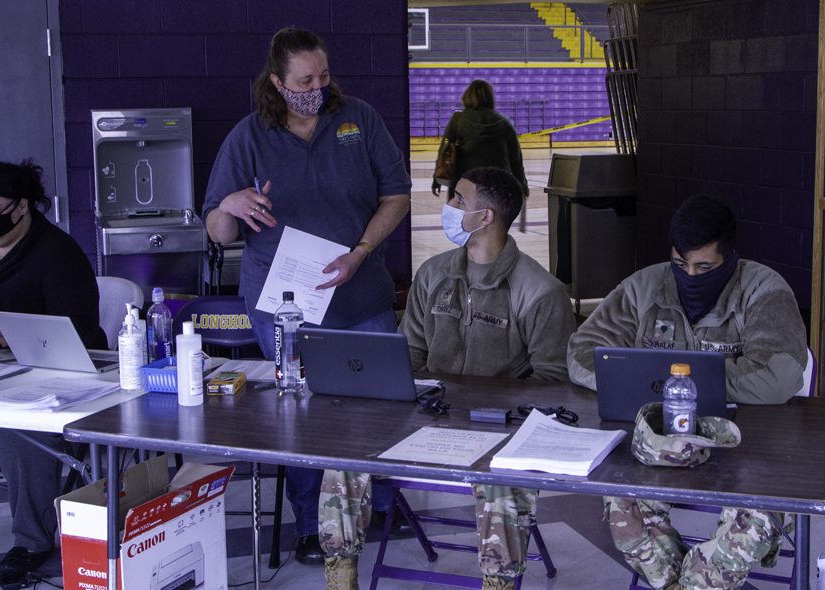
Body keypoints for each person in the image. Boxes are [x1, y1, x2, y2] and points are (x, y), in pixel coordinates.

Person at [202, 28, 412, 565]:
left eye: (322, 76)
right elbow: (219, 233)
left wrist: (361, 251)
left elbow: (396, 196)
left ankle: (380, 506)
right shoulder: (248, 137)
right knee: (301, 412)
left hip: (359, 288)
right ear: (277, 81)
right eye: (303, 80)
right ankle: (313, 524)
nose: (316, 87)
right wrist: (230, 203)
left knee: (382, 398)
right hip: (283, 300)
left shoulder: (358, 119)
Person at [320, 167, 576, 590]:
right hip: (427, 417)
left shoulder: (540, 292)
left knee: (504, 483)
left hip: (495, 429)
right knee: (344, 458)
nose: (448, 206)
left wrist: (491, 409)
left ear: (486, 217)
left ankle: (498, 582)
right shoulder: (434, 274)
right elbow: (410, 355)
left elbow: (553, 383)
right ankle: (341, 576)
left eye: (458, 199)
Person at [566, 194, 807, 590]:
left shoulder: (764, 291)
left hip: (746, 450)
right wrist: (630, 380)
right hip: (661, 448)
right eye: (681, 264)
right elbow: (582, 350)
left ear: (729, 259)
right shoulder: (644, 288)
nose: (691, 276)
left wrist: (683, 385)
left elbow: (776, 378)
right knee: (621, 501)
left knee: (756, 517)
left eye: (704, 267)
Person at [0, 159, 106, 580]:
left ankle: (31, 540)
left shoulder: (57, 254)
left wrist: (18, 335)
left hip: (46, 380)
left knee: (15, 427)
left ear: (23, 206)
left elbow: (82, 334)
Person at [432, 80, 529, 201]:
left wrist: (436, 180)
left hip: (464, 183)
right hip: (496, 186)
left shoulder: (457, 120)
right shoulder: (504, 123)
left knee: (461, 217)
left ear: (468, 96)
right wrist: (523, 186)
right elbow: (516, 160)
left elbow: (444, 151)